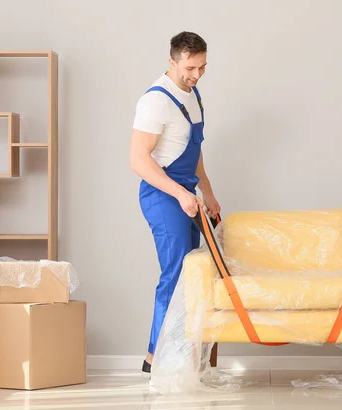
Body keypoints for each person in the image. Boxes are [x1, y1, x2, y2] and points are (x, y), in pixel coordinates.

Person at [130, 31, 221, 376]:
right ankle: (155, 358)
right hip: (162, 195)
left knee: (192, 275)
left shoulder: (193, 94)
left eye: (202, 67)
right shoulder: (155, 100)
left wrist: (207, 192)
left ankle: (179, 353)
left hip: (187, 195)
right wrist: (182, 194)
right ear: (172, 62)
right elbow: (138, 160)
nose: (196, 75)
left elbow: (194, 151)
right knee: (176, 273)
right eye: (189, 67)